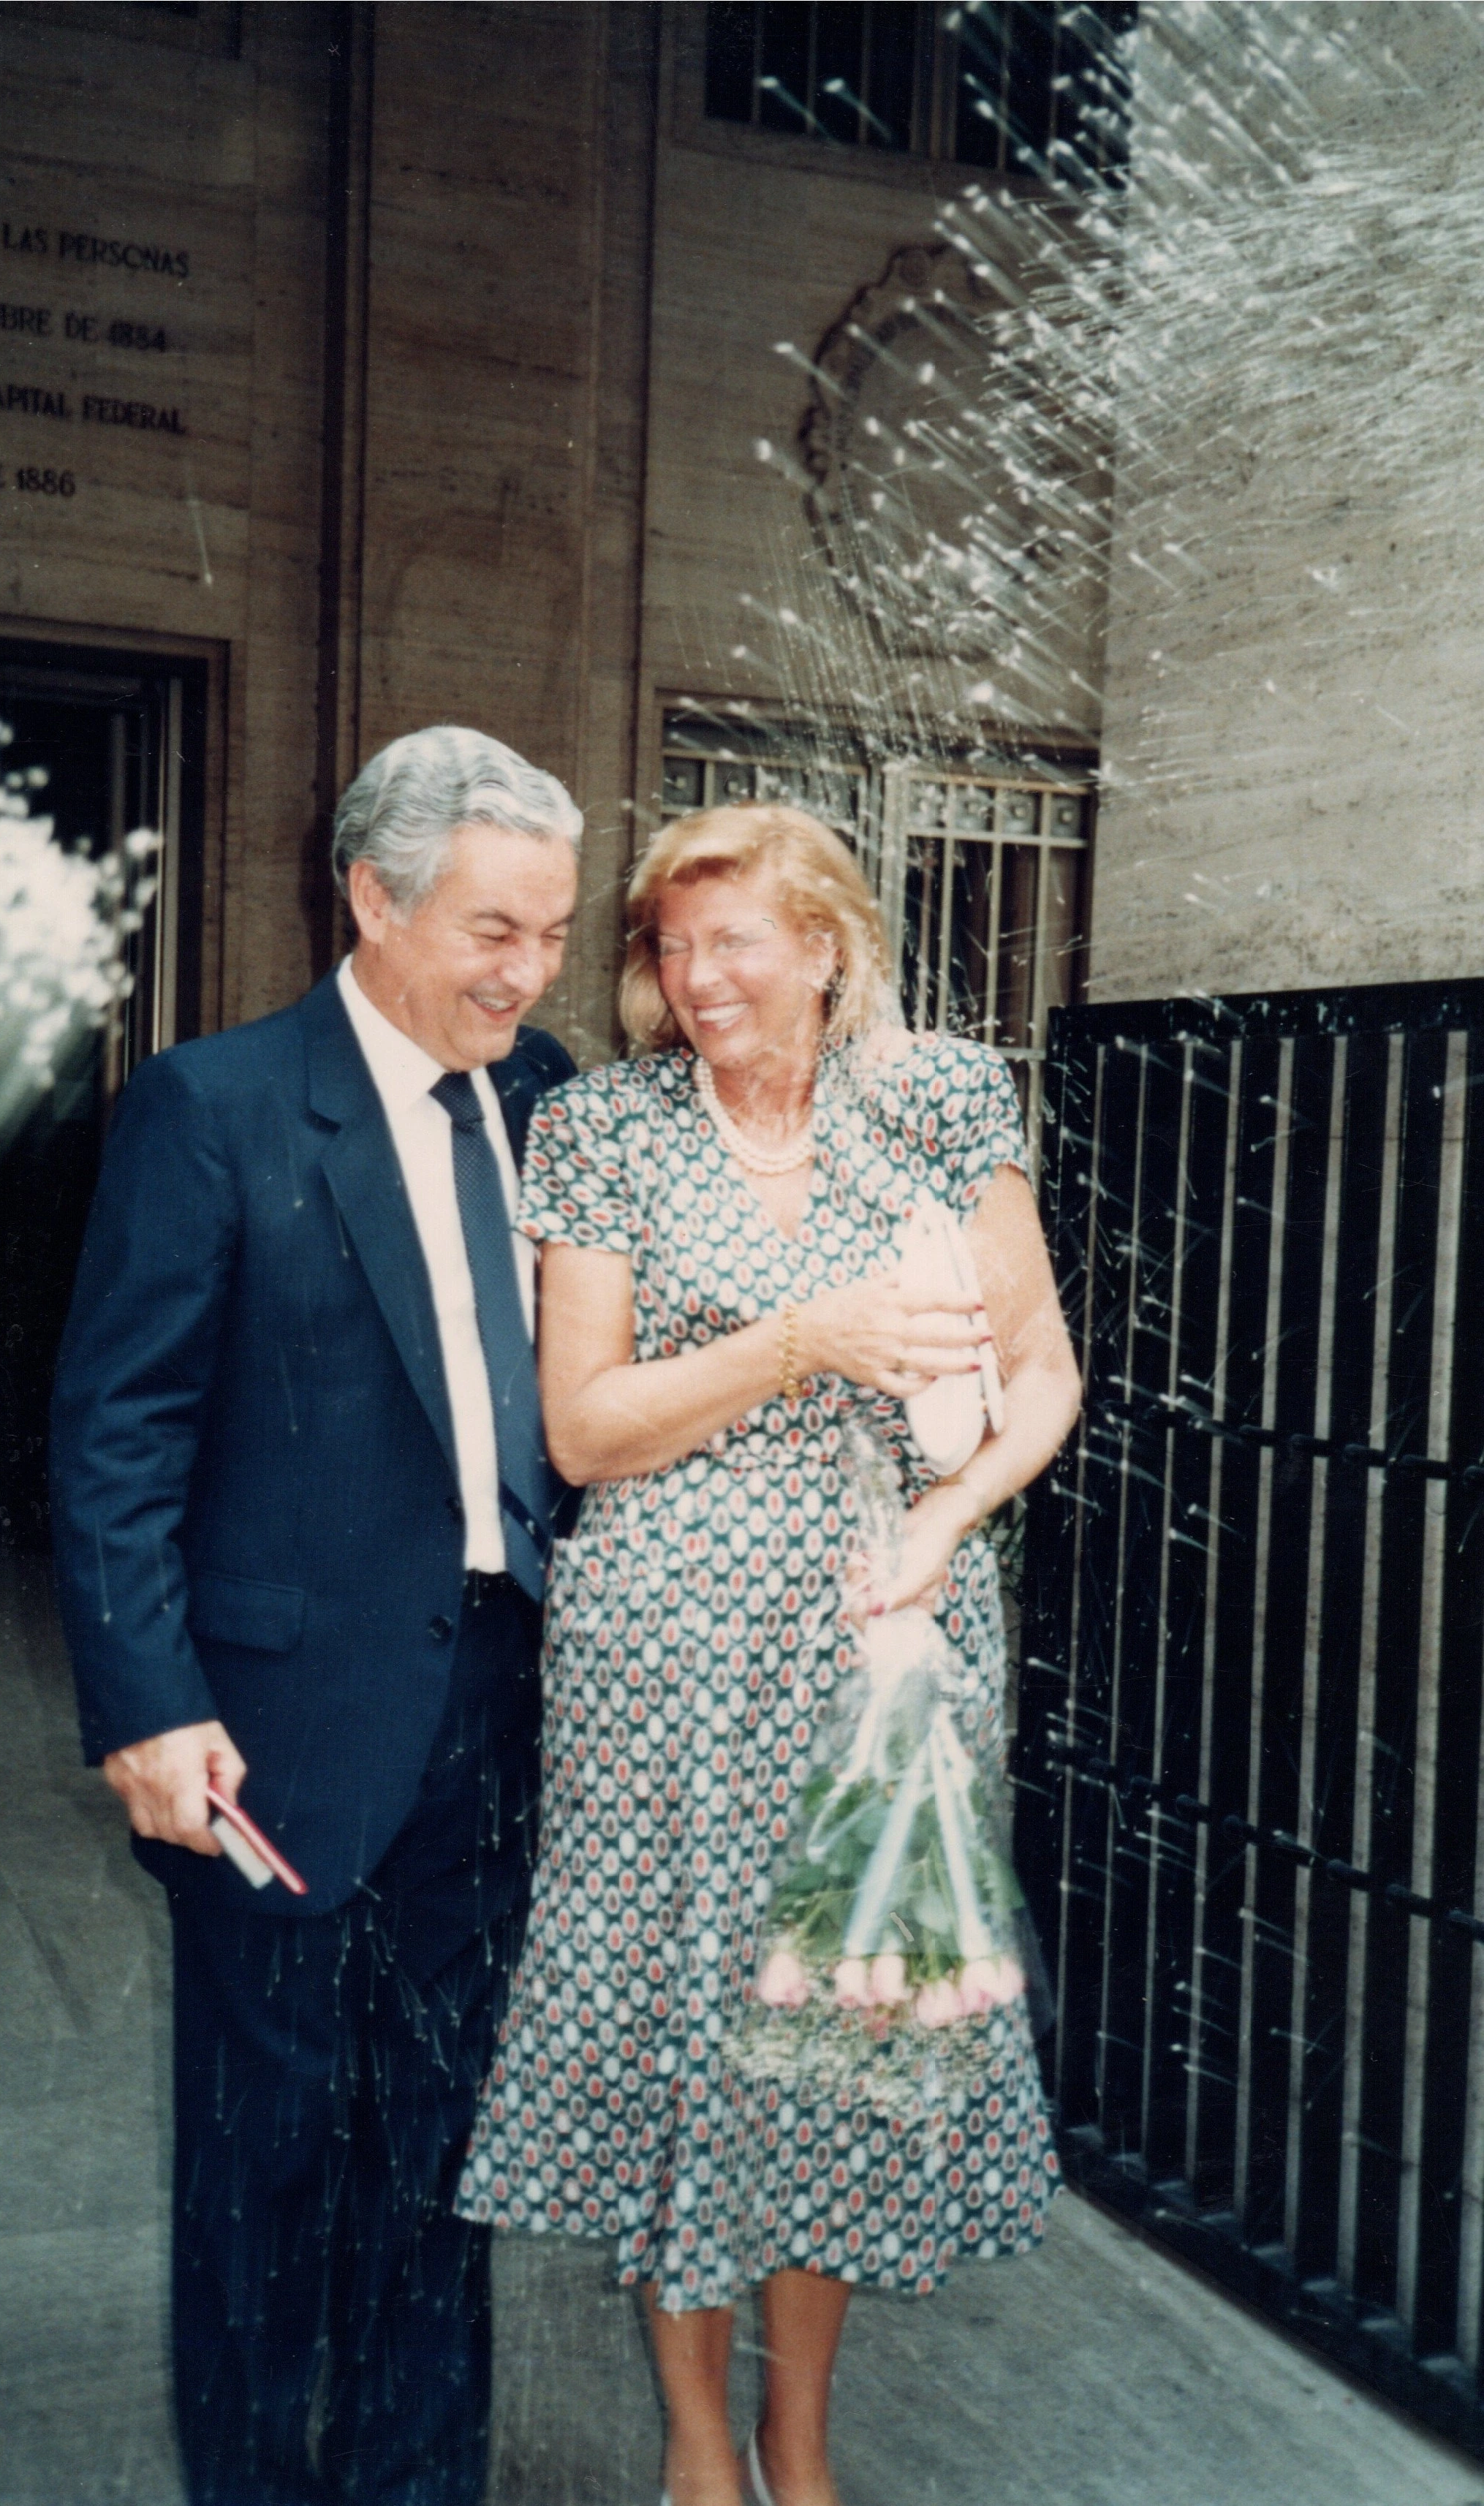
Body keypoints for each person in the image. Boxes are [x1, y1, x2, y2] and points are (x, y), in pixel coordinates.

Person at [455, 802, 1082, 2506]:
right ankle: (694, 2448)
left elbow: (1040, 1373)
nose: (696, 977)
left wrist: (946, 1521)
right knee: (684, 2037)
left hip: (886, 1647)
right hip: (662, 1658)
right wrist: (804, 1338)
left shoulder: (938, 1100)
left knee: (837, 2049)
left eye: (731, 940)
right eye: (669, 946)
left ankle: (795, 2442)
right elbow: (582, 1428)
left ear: (823, 944)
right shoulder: (603, 1126)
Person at [50, 725, 580, 2506]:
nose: (527, 973)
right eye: (493, 929)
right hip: (271, 1734)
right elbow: (115, 1431)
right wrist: (146, 1701)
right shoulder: (215, 1107)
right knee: (264, 2168)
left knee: (444, 2157)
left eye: (552, 933)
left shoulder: (550, 1096)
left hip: (496, 1723)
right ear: (370, 894)